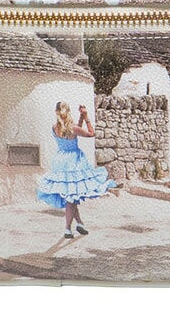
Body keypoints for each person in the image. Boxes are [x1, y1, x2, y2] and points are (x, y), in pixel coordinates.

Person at [35, 101, 116, 238]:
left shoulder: (54, 128)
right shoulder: (72, 128)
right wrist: (86, 117)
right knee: (71, 197)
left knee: (71, 195)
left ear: (57, 113)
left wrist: (80, 118)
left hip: (61, 161)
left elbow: (74, 132)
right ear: (68, 112)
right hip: (74, 162)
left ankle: (80, 223)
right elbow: (91, 133)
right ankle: (67, 228)